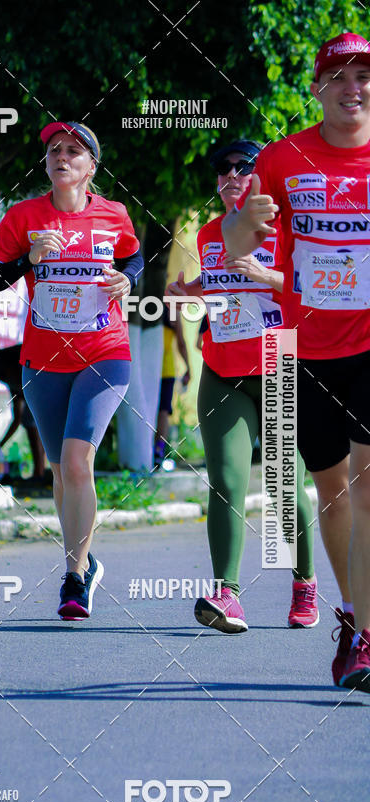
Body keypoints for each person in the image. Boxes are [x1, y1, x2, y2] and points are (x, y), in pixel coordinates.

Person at [223, 34, 370, 691]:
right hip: (303, 348)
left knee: (368, 490)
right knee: (332, 494)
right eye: (338, 77)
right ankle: (351, 614)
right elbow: (235, 245)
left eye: (364, 77)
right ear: (316, 87)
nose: (353, 89)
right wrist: (242, 221)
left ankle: (364, 634)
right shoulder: (283, 159)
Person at [0, 122, 143, 620]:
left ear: (91, 167)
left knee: (77, 463)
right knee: (59, 471)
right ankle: (87, 561)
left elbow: (134, 257)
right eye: (54, 149)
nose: (62, 157)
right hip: (43, 361)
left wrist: (127, 279)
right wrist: (27, 258)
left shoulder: (113, 215)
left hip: (105, 354)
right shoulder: (24, 216)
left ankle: (73, 577)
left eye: (74, 151)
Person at [169, 138, 317, 633]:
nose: (232, 175)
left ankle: (304, 582)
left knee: (284, 486)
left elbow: (317, 285)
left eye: (243, 167)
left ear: (260, 177)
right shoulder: (211, 233)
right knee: (227, 483)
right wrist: (184, 291)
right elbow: (214, 284)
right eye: (223, 170)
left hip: (279, 363)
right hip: (223, 370)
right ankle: (227, 594)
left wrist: (265, 273)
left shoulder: (288, 228)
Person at [0, 344, 46, 481]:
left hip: (44, 376)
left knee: (31, 422)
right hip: (36, 382)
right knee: (29, 421)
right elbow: (17, 419)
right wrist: (0, 445)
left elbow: (25, 415)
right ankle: (40, 472)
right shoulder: (7, 375)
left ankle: (40, 473)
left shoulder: (12, 368)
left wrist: (0, 445)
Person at [154, 308, 190, 466]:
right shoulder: (171, 311)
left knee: (150, 409)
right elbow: (181, 343)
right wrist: (189, 368)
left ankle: (152, 450)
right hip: (166, 369)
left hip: (145, 370)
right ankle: (158, 450)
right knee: (163, 411)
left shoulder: (141, 304)